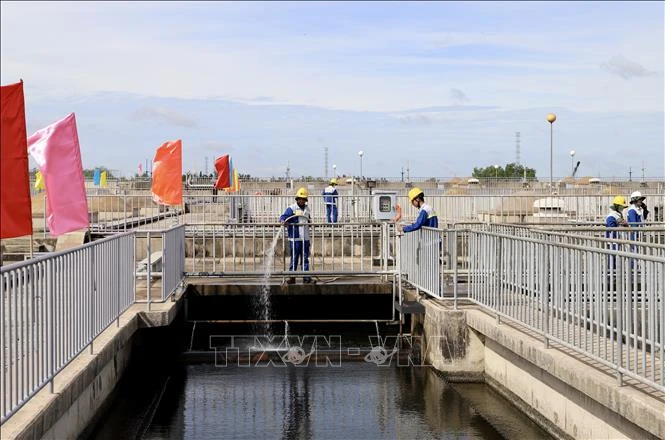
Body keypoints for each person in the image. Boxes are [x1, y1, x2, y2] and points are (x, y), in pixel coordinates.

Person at [280, 187, 314, 284]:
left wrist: (310, 223)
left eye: (303, 199)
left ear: (305, 200)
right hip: (295, 238)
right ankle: (292, 277)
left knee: (305, 258)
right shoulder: (292, 208)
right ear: (297, 198)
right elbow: (283, 217)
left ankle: (306, 278)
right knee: (294, 258)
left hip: (305, 238)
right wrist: (283, 221)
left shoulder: (307, 209)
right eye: (300, 198)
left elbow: (308, 219)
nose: (302, 200)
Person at [606, 195, 628, 270]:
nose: (622, 208)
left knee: (617, 259)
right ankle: (612, 275)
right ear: (616, 206)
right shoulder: (612, 216)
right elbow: (611, 227)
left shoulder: (618, 215)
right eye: (621, 206)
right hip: (613, 241)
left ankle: (615, 274)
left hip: (617, 240)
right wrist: (619, 223)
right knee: (613, 259)